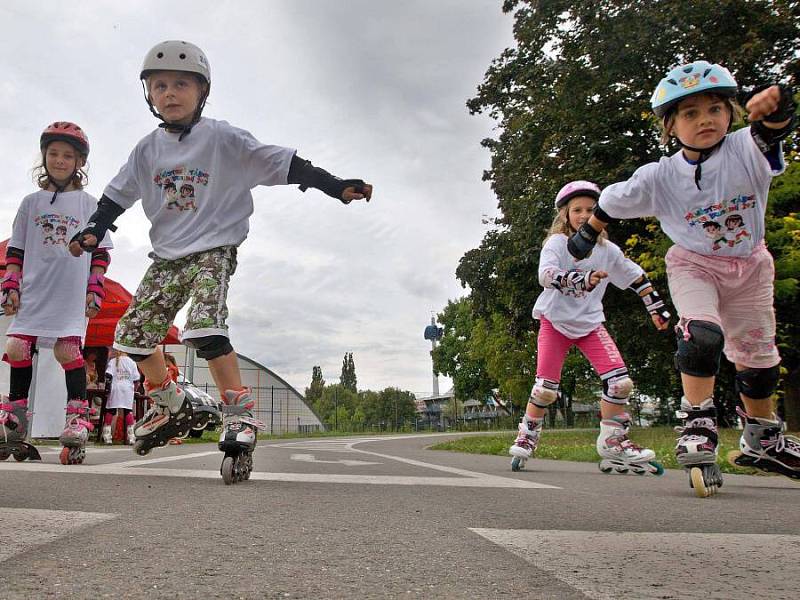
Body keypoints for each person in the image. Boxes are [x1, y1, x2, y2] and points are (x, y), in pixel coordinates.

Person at [69, 41, 372, 482]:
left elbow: (282, 162)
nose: (169, 93)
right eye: (159, 86)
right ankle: (171, 402)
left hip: (215, 247)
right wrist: (94, 228)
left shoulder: (223, 138)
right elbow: (117, 196)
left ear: (201, 91)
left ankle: (239, 412)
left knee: (204, 326)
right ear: (149, 94)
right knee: (132, 335)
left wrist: (333, 184)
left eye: (180, 84)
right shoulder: (146, 150)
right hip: (168, 255)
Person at [567, 60, 799, 496]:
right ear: (671, 127)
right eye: (690, 114)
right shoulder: (659, 176)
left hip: (750, 264)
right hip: (693, 263)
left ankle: (763, 438)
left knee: (758, 360)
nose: (705, 120)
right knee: (702, 336)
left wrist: (778, 105)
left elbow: (775, 129)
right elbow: (613, 201)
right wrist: (588, 231)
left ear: (731, 113)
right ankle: (697, 420)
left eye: (714, 109)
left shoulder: (746, 148)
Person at [509, 181, 670, 474]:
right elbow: (545, 275)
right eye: (577, 210)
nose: (584, 215)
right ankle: (528, 434)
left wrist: (654, 306)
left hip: (590, 324)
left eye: (590, 209)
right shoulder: (557, 244)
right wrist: (579, 280)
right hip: (555, 321)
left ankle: (613, 440)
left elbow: (635, 276)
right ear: (565, 215)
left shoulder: (607, 250)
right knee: (546, 389)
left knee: (620, 383)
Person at [0, 122, 112, 464]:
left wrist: (95, 287)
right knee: (16, 346)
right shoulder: (31, 202)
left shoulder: (89, 203)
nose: (60, 161)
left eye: (68, 155)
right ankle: (15, 420)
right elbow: (16, 250)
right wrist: (11, 284)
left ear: (80, 162)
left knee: (66, 350)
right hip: (35, 290)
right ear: (44, 158)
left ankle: (77, 419)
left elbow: (102, 251)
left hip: (69, 293)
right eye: (53, 154)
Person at [102, 349, 140, 444]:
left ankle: (107, 436)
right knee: (128, 411)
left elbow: (108, 375)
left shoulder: (113, 361)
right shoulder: (132, 362)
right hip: (127, 389)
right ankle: (131, 436)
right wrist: (135, 389)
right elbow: (136, 378)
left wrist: (107, 388)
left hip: (115, 388)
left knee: (111, 410)